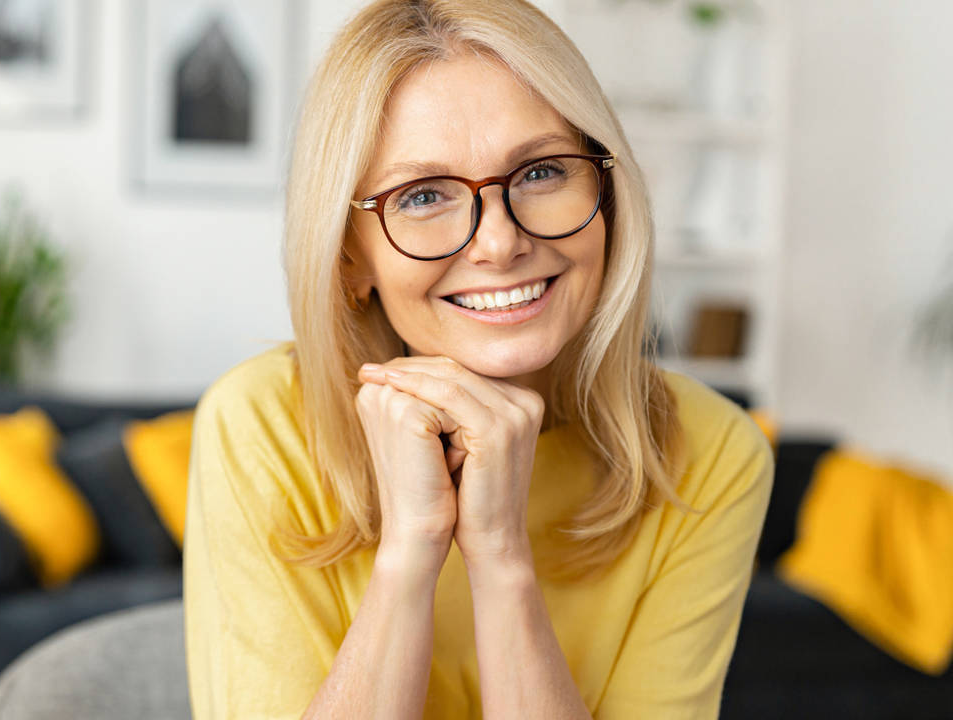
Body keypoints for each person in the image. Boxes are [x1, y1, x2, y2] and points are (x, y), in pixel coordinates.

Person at [182, 1, 775, 718]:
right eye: (423, 194)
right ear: (347, 258)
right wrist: (411, 555)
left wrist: (500, 558)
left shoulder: (709, 454)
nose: (498, 243)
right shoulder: (262, 424)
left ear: (608, 195)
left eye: (542, 172)